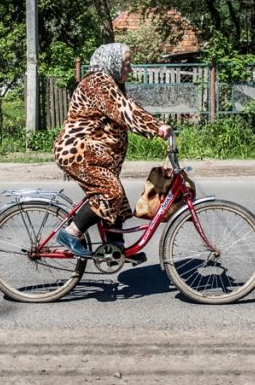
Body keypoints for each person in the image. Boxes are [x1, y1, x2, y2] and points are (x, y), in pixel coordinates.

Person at [52, 42, 172, 260]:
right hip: (79, 151)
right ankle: (70, 233)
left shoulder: (112, 84)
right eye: (127, 63)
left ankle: (116, 249)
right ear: (113, 62)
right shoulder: (98, 82)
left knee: (116, 200)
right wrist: (156, 127)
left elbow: (127, 108)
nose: (131, 69)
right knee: (110, 193)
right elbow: (126, 112)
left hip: (96, 155)